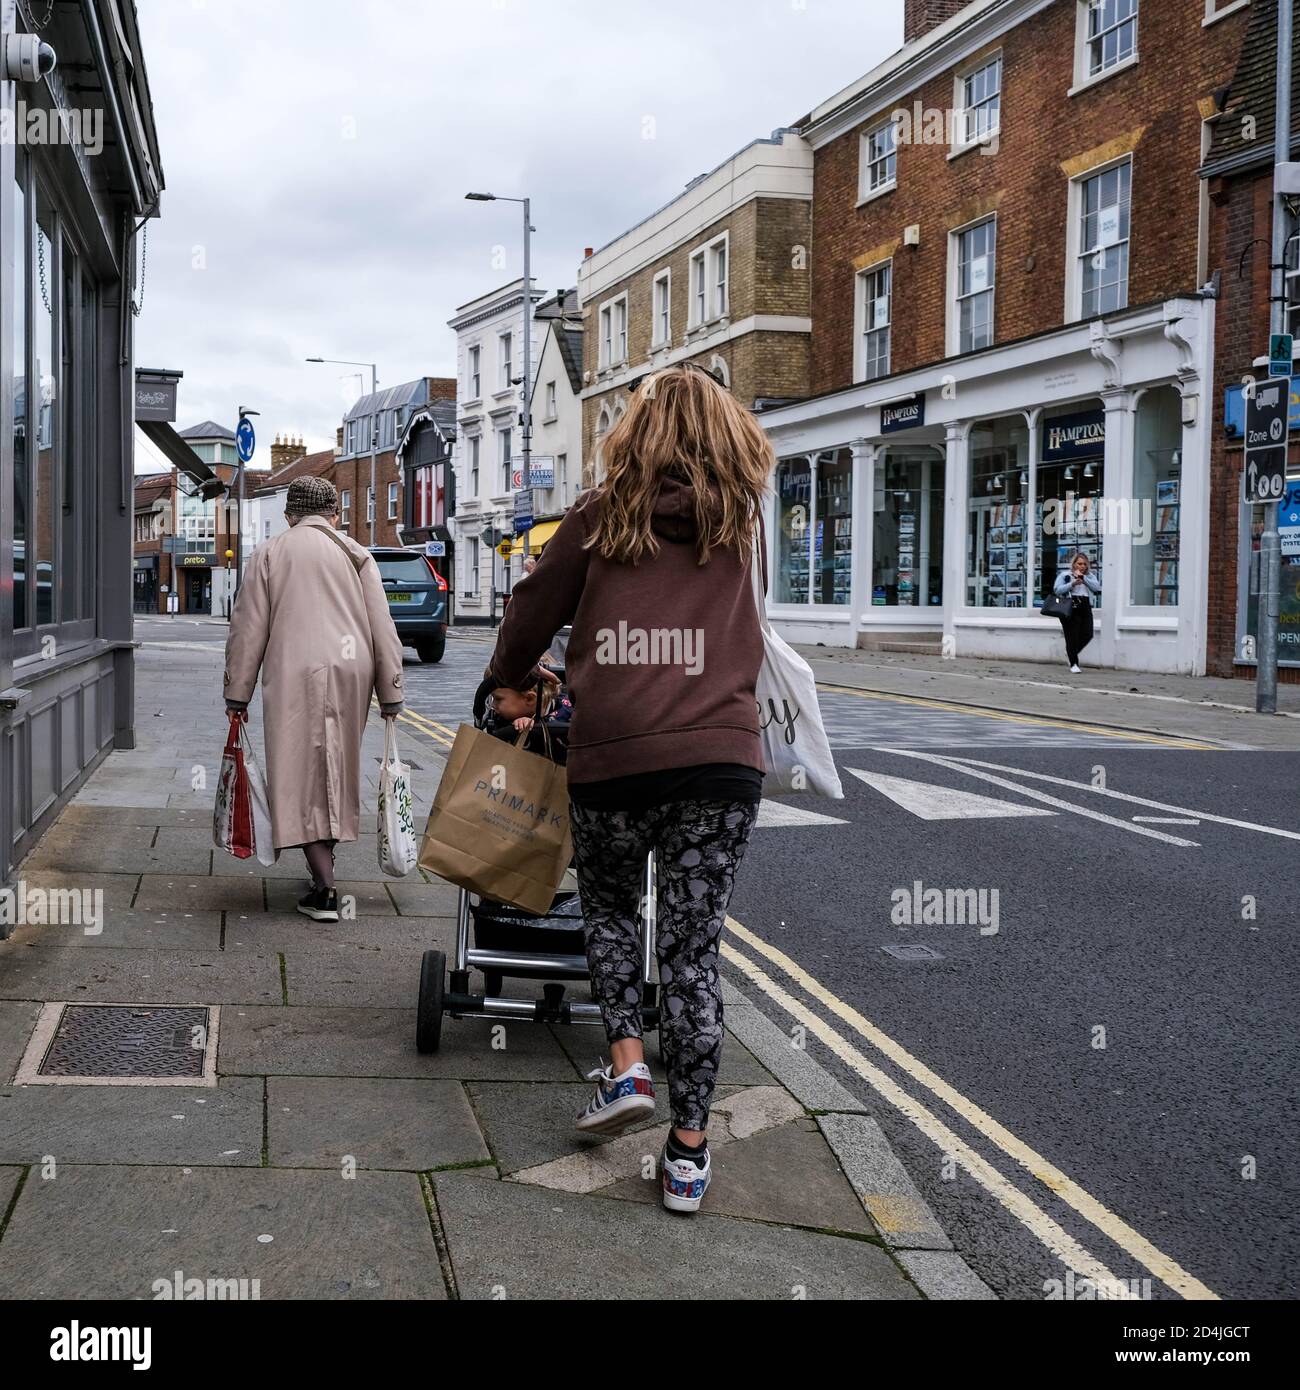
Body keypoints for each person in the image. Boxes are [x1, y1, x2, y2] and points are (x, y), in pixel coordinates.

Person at [486, 362, 768, 1215]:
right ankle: (688, 1155)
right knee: (692, 952)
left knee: (611, 910)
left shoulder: (600, 514)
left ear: (636, 434)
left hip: (613, 756)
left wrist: (509, 677)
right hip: (722, 761)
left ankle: (626, 1066)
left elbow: (531, 608)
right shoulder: (738, 520)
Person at [223, 476, 404, 921]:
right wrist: (391, 691)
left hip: (294, 672)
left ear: (290, 514)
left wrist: (237, 693)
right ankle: (324, 867)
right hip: (351, 671)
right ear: (334, 515)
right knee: (335, 767)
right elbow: (383, 627)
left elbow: (249, 632)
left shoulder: (269, 553)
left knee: (298, 772)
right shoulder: (357, 553)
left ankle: (325, 888)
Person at [1053, 551, 1101, 673]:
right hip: (1070, 604)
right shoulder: (1065, 575)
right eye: (1079, 563)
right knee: (1071, 636)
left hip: (1085, 604)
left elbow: (1096, 588)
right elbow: (1057, 590)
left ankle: (1071, 652)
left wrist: (1083, 578)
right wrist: (1072, 584)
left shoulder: (1089, 576)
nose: (1082, 566)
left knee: (1088, 633)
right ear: (1074, 564)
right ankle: (1074, 663)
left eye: (1085, 564)